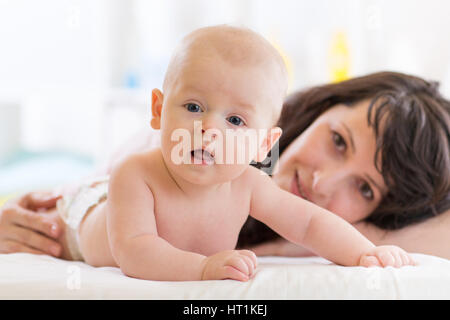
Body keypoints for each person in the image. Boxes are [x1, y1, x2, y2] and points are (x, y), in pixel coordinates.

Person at [1, 71, 449, 261]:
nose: (323, 182)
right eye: (337, 141)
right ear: (319, 109)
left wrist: (372, 244)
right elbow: (72, 202)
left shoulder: (331, 229)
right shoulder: (194, 143)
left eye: (366, 189)